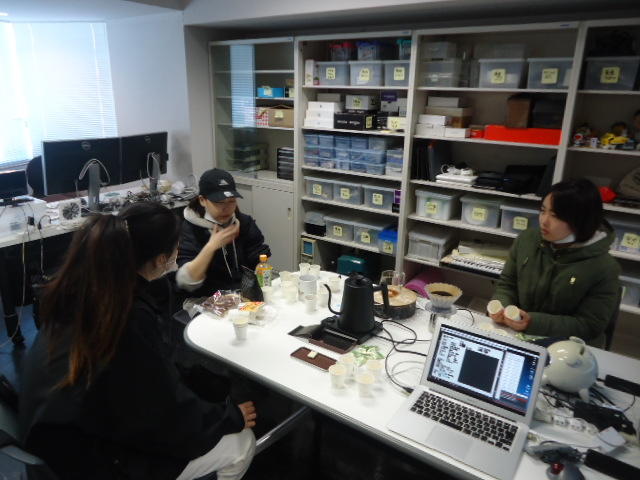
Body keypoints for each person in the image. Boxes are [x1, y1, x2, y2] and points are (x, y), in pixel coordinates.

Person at [19, 202, 257, 480]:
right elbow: (163, 416)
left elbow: (149, 381)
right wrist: (229, 418)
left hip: (50, 432)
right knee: (241, 444)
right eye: (175, 249)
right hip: (89, 459)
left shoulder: (85, 290)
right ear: (160, 259)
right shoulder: (125, 318)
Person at [490, 178, 620, 347]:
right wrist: (503, 307)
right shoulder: (527, 240)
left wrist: (533, 322)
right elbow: (507, 284)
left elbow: (589, 325)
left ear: (581, 221)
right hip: (518, 335)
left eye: (556, 216)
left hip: (568, 347)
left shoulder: (604, 268)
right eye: (543, 211)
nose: (544, 221)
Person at [176, 168, 270, 298]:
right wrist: (211, 247)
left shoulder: (243, 222)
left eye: (231, 201)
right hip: (206, 300)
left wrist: (260, 267)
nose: (226, 208)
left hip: (243, 296)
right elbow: (186, 282)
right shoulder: (190, 229)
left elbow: (258, 255)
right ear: (202, 200)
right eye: (219, 202)